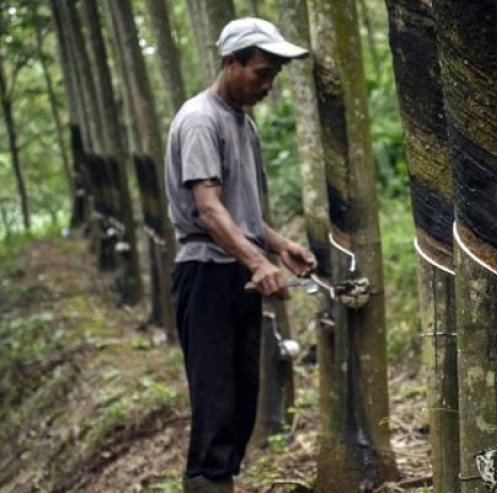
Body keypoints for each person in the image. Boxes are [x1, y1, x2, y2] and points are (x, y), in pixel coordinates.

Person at [165, 17, 317, 493]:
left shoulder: (242, 125)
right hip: (206, 275)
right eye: (261, 72)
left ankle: (220, 483)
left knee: (240, 401)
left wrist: (278, 246)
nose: (268, 85)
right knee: (215, 403)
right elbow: (209, 212)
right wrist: (258, 262)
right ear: (231, 63)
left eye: (273, 75)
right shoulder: (199, 120)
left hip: (236, 273)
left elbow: (240, 213)